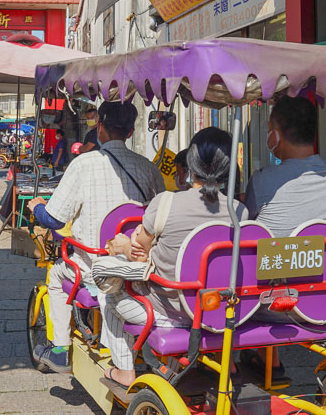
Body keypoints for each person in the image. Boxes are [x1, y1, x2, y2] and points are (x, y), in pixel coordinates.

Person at [98, 127, 247, 387]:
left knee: (109, 297)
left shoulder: (165, 202)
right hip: (219, 310)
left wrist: (124, 245)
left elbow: (139, 251)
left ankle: (124, 370)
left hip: (167, 310)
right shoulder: (240, 212)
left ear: (191, 162)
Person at [26, 101, 166, 373]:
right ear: (130, 131)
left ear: (99, 126)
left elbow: (54, 219)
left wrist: (36, 208)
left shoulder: (82, 165)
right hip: (138, 268)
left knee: (55, 274)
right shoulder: (148, 168)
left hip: (94, 268)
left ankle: (59, 349)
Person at [241, 95, 326, 380]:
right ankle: (271, 360)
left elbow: (253, 229)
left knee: (251, 261)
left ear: (276, 134)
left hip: (274, 307)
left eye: (269, 128)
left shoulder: (264, 180)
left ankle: (245, 364)